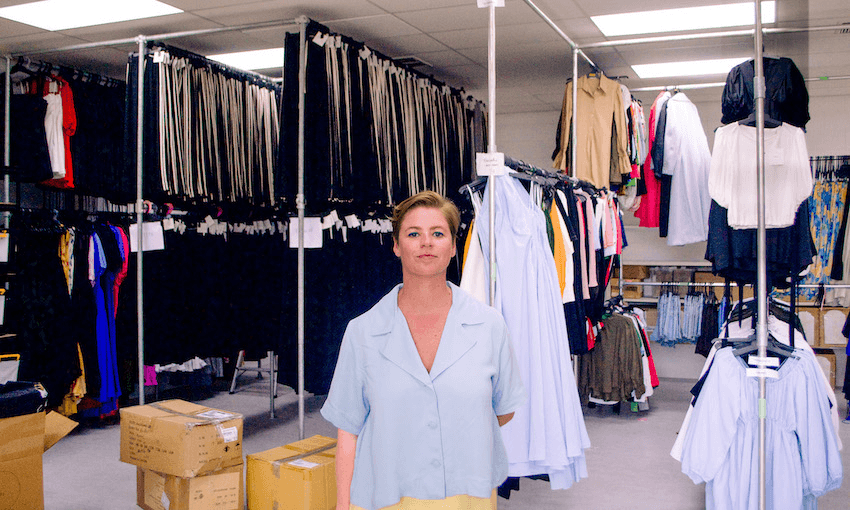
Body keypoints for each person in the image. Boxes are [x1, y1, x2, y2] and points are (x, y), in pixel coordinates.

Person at [321, 190, 526, 510]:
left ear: (453, 246)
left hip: (464, 496)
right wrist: (342, 505)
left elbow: (504, 409)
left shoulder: (489, 326)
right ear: (396, 245)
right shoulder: (362, 333)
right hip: (386, 497)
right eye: (413, 233)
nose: (426, 242)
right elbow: (348, 432)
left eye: (438, 233)